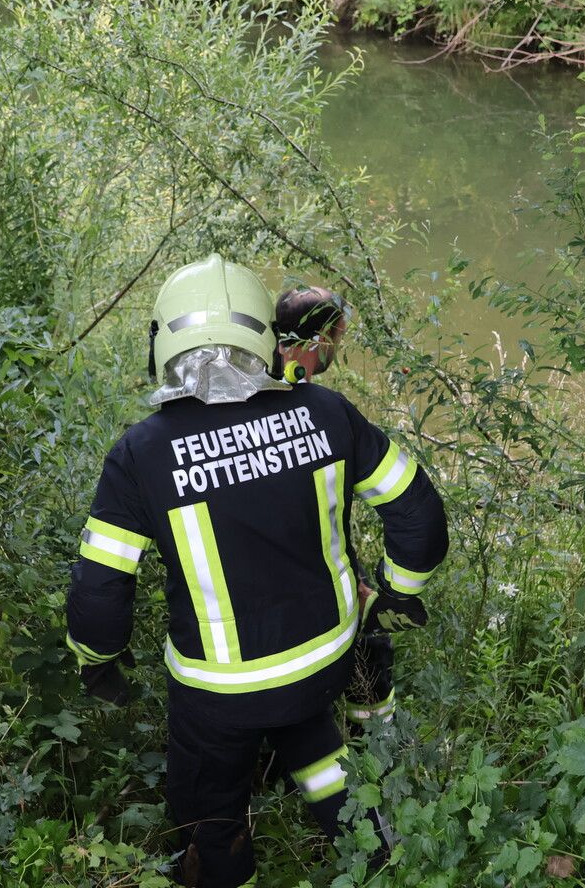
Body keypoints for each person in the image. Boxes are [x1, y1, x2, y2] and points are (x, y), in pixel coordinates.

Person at [66, 255, 448, 888]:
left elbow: (101, 591)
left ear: (162, 341)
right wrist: (397, 597)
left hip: (218, 694)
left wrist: (97, 658)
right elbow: (420, 515)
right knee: (312, 735)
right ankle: (382, 858)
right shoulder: (326, 413)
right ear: (265, 337)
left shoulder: (140, 454)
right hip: (325, 658)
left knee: (208, 808)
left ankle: (226, 869)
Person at [274, 286, 425, 731]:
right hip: (299, 569)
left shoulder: (262, 377)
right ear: (321, 340)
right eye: (337, 337)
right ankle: (373, 740)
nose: (338, 347)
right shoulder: (301, 400)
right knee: (368, 635)